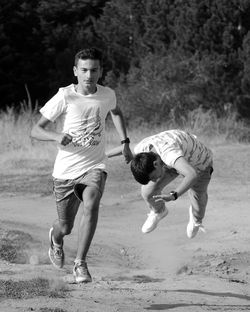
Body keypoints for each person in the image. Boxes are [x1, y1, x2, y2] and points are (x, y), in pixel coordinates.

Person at [31, 47, 133, 283]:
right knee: (65, 227)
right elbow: (35, 130)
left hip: (95, 165)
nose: (89, 75)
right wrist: (57, 136)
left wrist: (125, 142)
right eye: (84, 70)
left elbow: (116, 113)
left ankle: (80, 263)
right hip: (65, 171)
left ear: (101, 71)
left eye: (94, 70)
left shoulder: (107, 94)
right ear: (75, 71)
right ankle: (56, 239)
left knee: (92, 201)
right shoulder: (65, 96)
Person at [107, 129, 213, 238]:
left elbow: (192, 175)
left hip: (199, 164)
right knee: (148, 191)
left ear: (155, 164)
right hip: (172, 161)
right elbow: (125, 149)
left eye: (153, 177)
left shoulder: (169, 154)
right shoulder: (143, 150)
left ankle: (196, 220)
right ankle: (159, 211)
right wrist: (103, 157)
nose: (154, 180)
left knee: (198, 201)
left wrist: (174, 194)